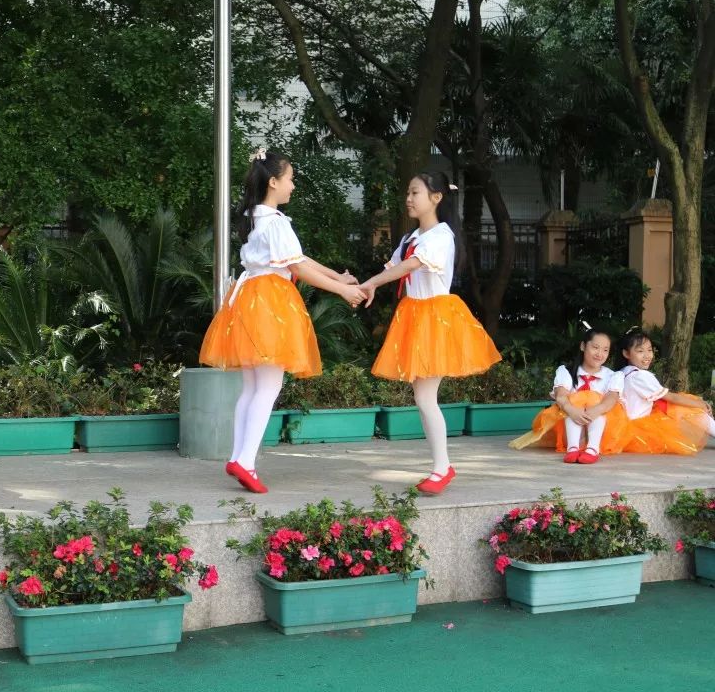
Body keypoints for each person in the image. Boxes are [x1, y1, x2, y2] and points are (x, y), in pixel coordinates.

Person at [199, 147, 366, 493]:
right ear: (273, 182)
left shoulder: (260, 220)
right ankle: (245, 461)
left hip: (249, 301)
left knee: (251, 387)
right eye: (290, 179)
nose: (293, 185)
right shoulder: (275, 222)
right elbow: (298, 267)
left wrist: (338, 276)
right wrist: (342, 290)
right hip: (270, 304)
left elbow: (298, 259)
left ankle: (239, 456)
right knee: (269, 386)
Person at [356, 171, 501, 494]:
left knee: (425, 398)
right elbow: (393, 267)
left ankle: (442, 468)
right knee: (423, 398)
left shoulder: (440, 236)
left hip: (435, 319)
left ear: (436, 198)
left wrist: (371, 284)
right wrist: (360, 285)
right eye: (408, 192)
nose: (409, 198)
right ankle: (441, 467)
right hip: (416, 316)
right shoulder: (412, 238)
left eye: (415, 193)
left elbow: (409, 267)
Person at [509, 325, 626, 463]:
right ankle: (572, 448)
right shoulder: (567, 372)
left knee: (596, 403)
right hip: (570, 429)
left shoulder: (613, 376)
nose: (600, 353)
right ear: (583, 346)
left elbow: (611, 400)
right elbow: (561, 397)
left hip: (603, 432)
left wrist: (595, 410)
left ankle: (592, 449)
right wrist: (573, 411)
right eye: (595, 347)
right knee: (572, 406)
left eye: (605, 350)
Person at [605, 328, 715, 455]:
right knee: (689, 406)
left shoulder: (624, 372)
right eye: (640, 351)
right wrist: (700, 404)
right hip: (639, 431)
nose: (647, 356)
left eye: (649, 350)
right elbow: (671, 398)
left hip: (625, 429)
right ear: (626, 353)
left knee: (682, 404)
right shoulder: (640, 376)